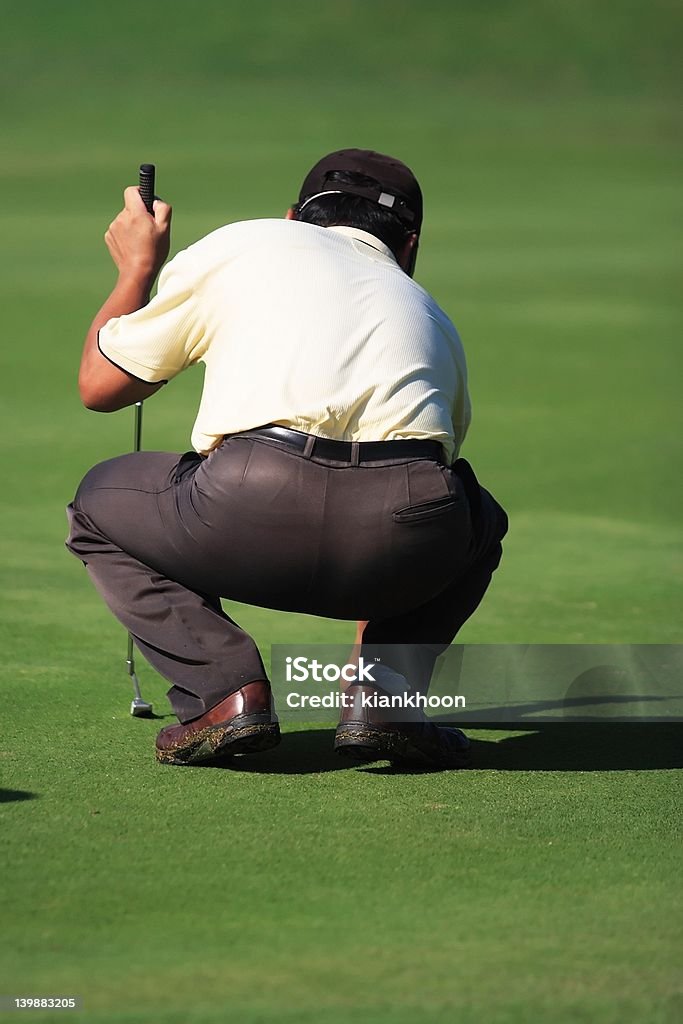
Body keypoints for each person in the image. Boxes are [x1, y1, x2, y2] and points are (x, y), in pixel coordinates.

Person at [66, 148, 508, 769]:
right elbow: (423, 475)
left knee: (98, 502)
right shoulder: (430, 311)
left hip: (246, 510)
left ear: (293, 218)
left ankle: (224, 690)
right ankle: (385, 701)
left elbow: (101, 386)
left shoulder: (249, 244)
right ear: (408, 246)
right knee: (477, 518)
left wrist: (137, 270)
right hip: (406, 537)